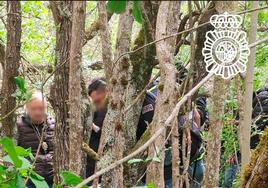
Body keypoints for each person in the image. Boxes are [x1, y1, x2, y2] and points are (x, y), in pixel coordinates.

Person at [86, 77, 155, 185]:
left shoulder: (137, 101)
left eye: (98, 100)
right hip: (96, 166)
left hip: (136, 160)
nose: (97, 105)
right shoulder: (96, 109)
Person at [224, 84, 268, 188]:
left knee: (232, 178)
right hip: (252, 145)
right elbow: (258, 124)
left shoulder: (256, 95)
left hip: (248, 144)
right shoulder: (263, 98)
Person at [17, 92, 54, 188]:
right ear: (27, 108)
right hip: (29, 180)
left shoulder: (53, 124)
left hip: (52, 179)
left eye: (41, 108)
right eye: (33, 109)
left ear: (46, 107)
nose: (37, 112)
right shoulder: (19, 126)